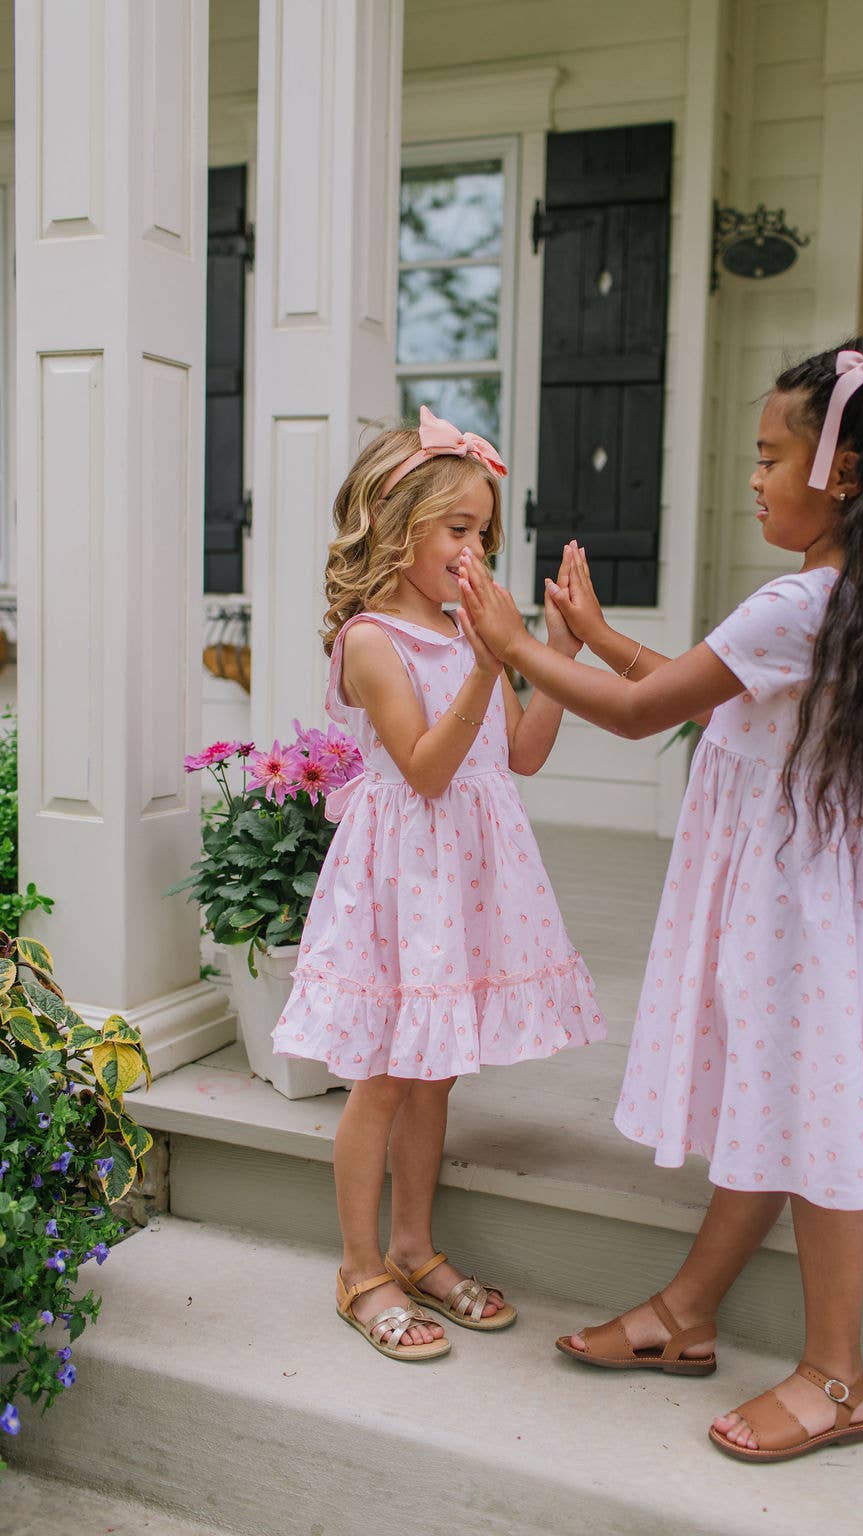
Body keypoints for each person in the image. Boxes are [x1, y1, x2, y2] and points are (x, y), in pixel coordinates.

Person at [458, 335, 863, 1457]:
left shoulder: (797, 603)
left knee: (811, 1122)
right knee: (777, 1098)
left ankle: (839, 1377)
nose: (750, 478)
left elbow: (646, 715)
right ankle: (689, 1311)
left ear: (840, 473)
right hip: (812, 894)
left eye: (765, 456)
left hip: (783, 901)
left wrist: (511, 644)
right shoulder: (854, 600)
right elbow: (707, 692)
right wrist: (596, 638)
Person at [272, 406, 607, 1362]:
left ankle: (416, 1248)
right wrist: (489, 659)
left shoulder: (471, 628)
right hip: (399, 876)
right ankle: (359, 1267)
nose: (474, 549)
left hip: (465, 876)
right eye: (457, 529)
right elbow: (422, 766)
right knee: (380, 1078)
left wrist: (558, 650)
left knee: (433, 1075)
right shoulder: (373, 638)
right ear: (396, 523)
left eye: (483, 533)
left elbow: (522, 754)